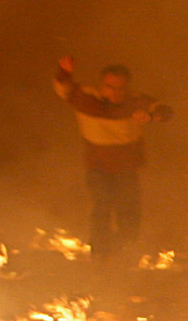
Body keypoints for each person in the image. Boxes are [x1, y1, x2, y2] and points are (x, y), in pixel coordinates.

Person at [53, 58, 173, 267]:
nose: (115, 93)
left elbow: (165, 110)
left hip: (127, 169)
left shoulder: (135, 102)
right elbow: (62, 86)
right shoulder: (86, 99)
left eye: (120, 88)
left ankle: (120, 257)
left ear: (128, 87)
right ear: (102, 86)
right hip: (98, 168)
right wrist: (64, 71)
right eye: (110, 87)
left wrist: (151, 116)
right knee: (101, 208)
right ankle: (99, 258)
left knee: (129, 214)